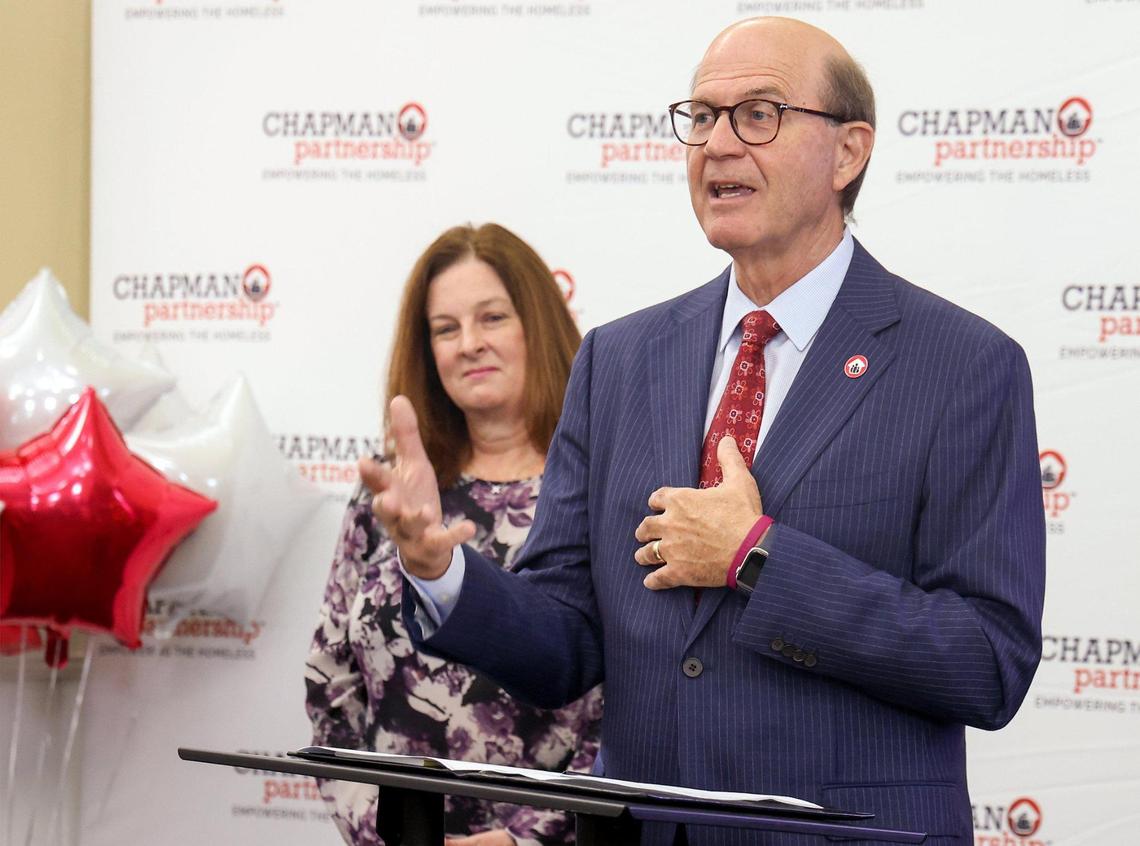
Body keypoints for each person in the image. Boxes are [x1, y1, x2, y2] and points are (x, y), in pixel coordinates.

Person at [362, 18, 1045, 845]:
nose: (718, 144)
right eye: (703, 117)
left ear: (848, 152)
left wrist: (757, 556)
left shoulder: (962, 365)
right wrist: (441, 570)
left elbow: (987, 662)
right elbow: (565, 640)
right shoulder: (618, 359)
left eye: (758, 114)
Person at [305, 223, 602, 846]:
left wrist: (530, 840)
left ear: (537, 326)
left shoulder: (598, 493)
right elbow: (332, 687)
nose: (469, 344)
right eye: (445, 328)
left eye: (492, 318)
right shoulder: (390, 498)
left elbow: (634, 705)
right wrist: (389, 835)